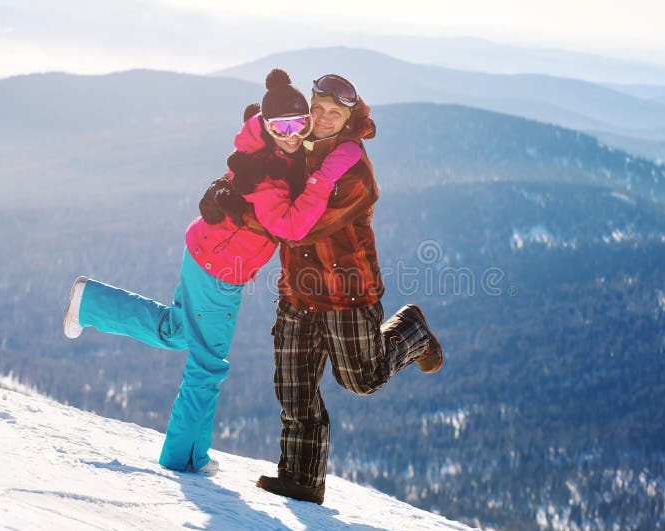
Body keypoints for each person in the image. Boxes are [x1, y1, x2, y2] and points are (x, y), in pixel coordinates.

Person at [61, 69, 362, 475]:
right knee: (207, 365)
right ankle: (183, 460)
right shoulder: (267, 177)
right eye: (281, 126)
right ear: (269, 127)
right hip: (220, 270)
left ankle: (90, 303)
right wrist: (326, 175)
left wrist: (269, 125)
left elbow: (261, 127)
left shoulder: (270, 142)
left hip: (206, 252)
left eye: (299, 123)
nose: (293, 134)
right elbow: (291, 226)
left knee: (175, 331)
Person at [249, 74, 445, 505]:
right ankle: (301, 479)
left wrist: (255, 198)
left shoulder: (354, 172)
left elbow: (298, 227)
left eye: (333, 114)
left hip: (346, 293)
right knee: (293, 386)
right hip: (299, 292)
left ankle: (413, 330)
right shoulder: (294, 148)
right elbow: (262, 184)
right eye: (316, 109)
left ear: (347, 118)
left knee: (361, 378)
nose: (321, 119)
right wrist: (232, 190)